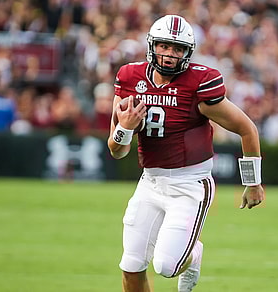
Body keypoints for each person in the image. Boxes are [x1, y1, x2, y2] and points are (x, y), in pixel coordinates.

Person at [107, 15, 264, 292]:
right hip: (150, 182)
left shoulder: (200, 84)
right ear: (152, 46)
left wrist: (253, 183)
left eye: (177, 49)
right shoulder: (130, 78)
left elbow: (247, 129)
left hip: (190, 185)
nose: (169, 55)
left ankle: (192, 257)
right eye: (165, 46)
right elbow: (117, 151)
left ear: (187, 53)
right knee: (131, 265)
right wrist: (125, 128)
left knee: (167, 266)